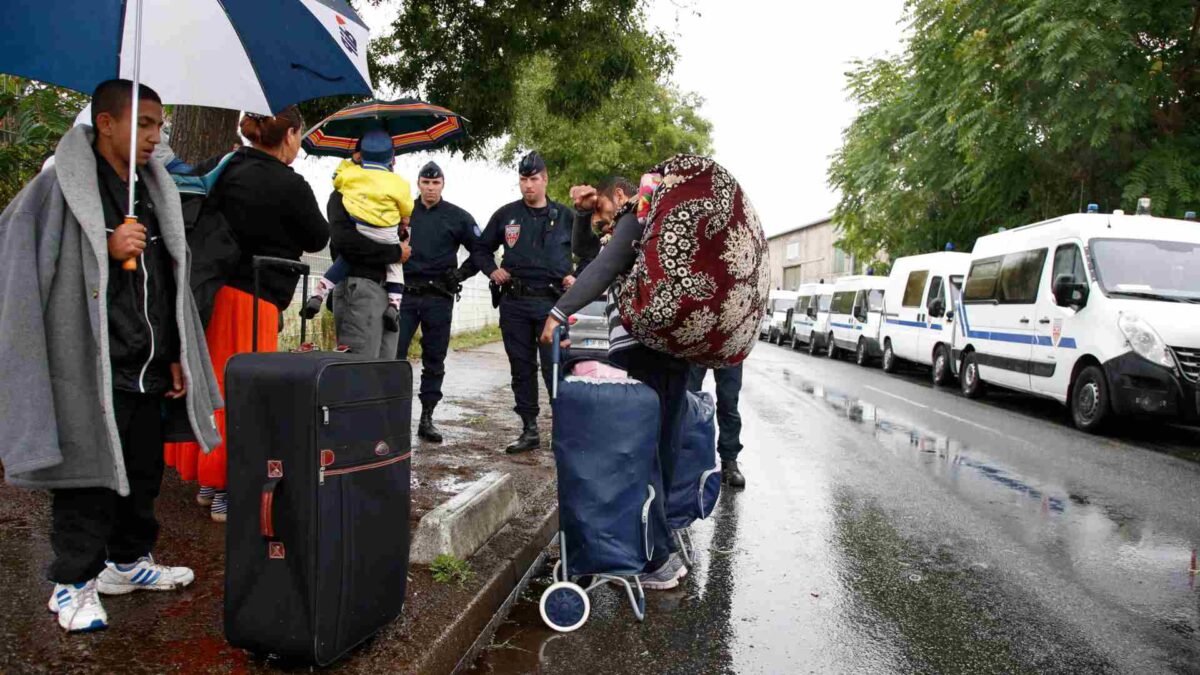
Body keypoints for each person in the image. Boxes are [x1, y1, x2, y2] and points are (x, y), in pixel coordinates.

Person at [0, 79, 223, 632]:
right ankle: (71, 583)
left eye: (160, 125)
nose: (156, 136)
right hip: (89, 365)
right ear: (105, 122)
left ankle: (128, 563)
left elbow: (165, 281)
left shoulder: (150, 188)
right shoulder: (57, 187)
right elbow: (17, 256)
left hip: (145, 363)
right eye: (145, 123)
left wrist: (173, 354)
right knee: (88, 477)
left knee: (143, 473)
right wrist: (105, 241)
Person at [164, 106, 330, 522]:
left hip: (210, 291)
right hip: (254, 298)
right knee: (244, 392)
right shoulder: (289, 184)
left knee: (211, 382)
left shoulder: (224, 166)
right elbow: (318, 235)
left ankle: (206, 478)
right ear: (289, 134)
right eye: (299, 135)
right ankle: (226, 487)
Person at [539, 188, 689, 590]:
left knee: (646, 455)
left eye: (603, 213)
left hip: (650, 352)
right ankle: (659, 548)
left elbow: (604, 264)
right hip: (664, 351)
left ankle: (655, 557)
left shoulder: (636, 218)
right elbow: (588, 251)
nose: (601, 225)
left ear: (620, 195)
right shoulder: (644, 228)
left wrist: (558, 311)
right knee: (657, 450)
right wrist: (582, 213)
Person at [471, 151, 577, 454]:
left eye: (533, 179)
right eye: (523, 179)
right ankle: (529, 430)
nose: (527, 185)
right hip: (515, 303)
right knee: (521, 368)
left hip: (552, 305)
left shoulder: (566, 216)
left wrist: (576, 276)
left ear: (545, 179)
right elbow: (481, 249)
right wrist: (493, 270)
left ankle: (563, 432)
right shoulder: (507, 215)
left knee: (555, 368)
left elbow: (591, 251)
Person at [395, 161, 480, 443]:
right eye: (425, 183)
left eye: (435, 183)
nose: (430, 188)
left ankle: (427, 417)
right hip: (405, 294)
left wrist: (460, 274)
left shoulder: (457, 217)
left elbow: (480, 251)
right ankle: (390, 416)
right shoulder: (403, 212)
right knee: (394, 355)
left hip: (438, 296)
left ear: (443, 184)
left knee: (434, 359)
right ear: (418, 184)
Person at [301, 129, 414, 330]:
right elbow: (347, 243)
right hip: (361, 287)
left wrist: (351, 162)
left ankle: (319, 291)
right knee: (396, 264)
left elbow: (337, 175)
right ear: (391, 158)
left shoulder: (349, 180)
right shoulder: (398, 185)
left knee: (384, 358)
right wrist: (396, 251)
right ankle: (394, 305)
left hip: (368, 263)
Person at [687, 364, 747, 487]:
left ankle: (729, 461)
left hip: (729, 347)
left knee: (729, 403)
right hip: (696, 346)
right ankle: (686, 459)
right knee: (689, 400)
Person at [569, 176, 635, 274]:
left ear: (619, 196)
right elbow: (582, 249)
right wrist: (583, 211)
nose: (595, 221)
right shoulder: (610, 238)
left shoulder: (652, 221)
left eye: (599, 208)